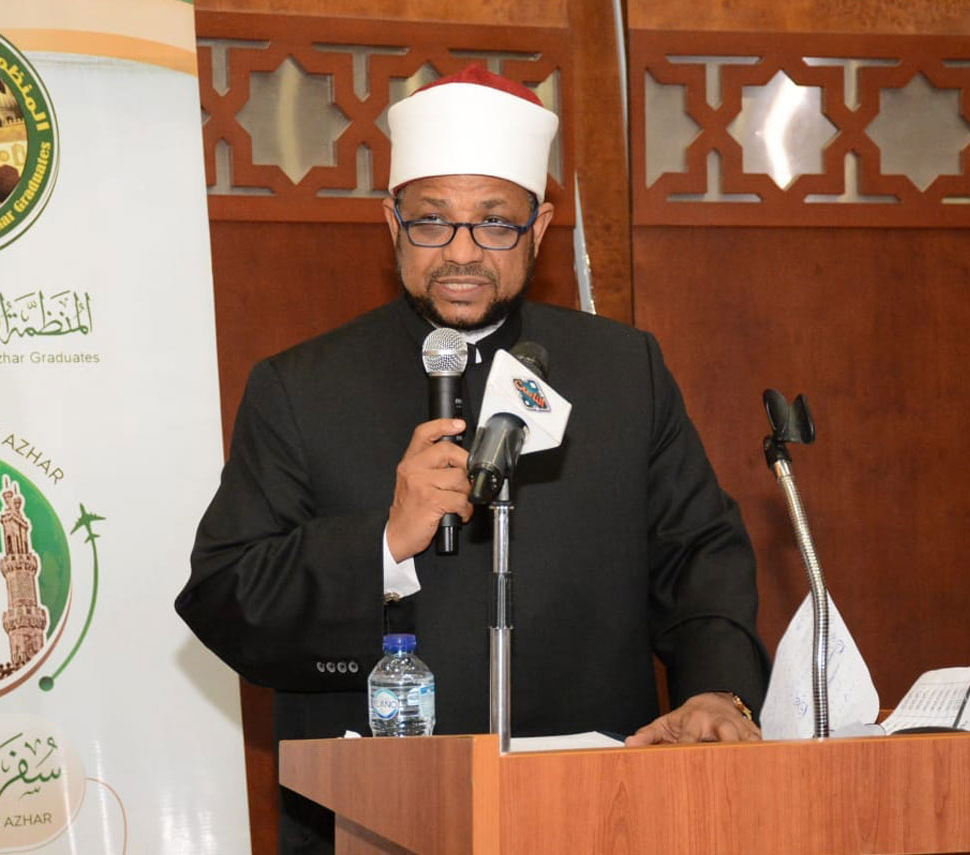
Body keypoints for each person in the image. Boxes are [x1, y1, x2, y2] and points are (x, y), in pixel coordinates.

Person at [176, 65, 770, 854]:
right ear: (391, 223)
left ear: (539, 227)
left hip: (599, 809)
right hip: (376, 819)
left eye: (494, 222)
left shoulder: (624, 372)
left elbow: (699, 556)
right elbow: (224, 597)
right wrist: (382, 543)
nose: (461, 252)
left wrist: (717, 691)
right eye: (431, 220)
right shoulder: (301, 387)